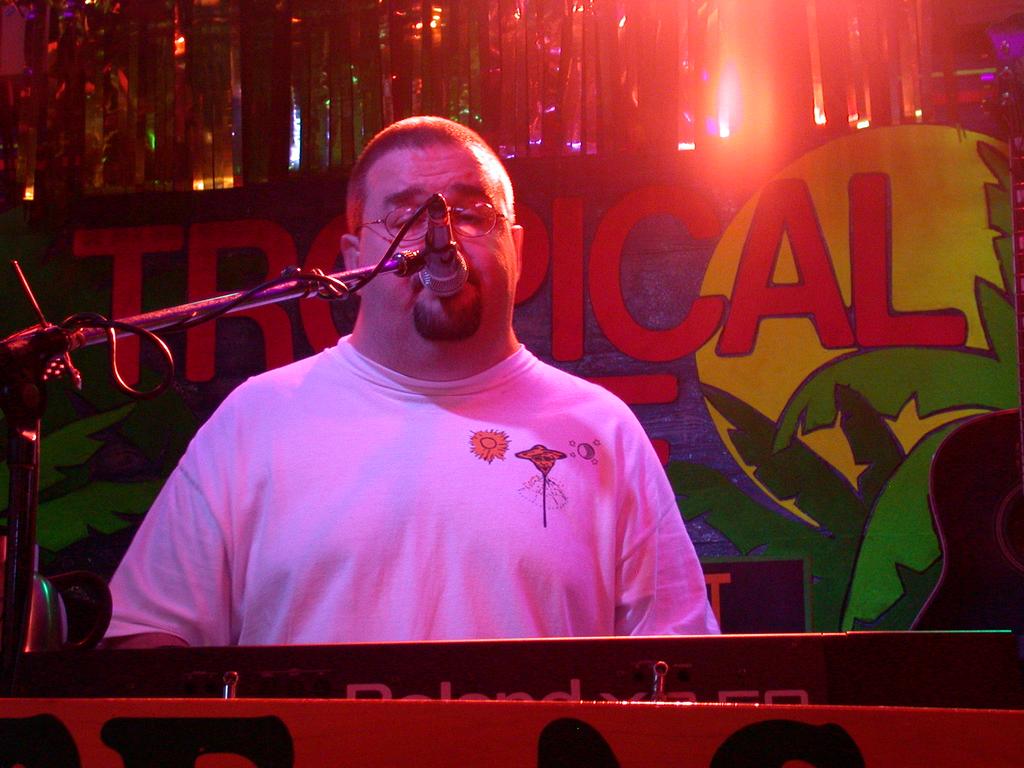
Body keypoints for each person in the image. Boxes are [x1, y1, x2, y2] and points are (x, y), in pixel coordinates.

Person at [104, 116, 719, 648]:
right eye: (405, 217)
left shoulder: (600, 430)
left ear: (517, 249)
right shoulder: (256, 421)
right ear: (352, 259)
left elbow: (678, 659)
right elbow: (149, 631)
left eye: (471, 214)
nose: (440, 238)